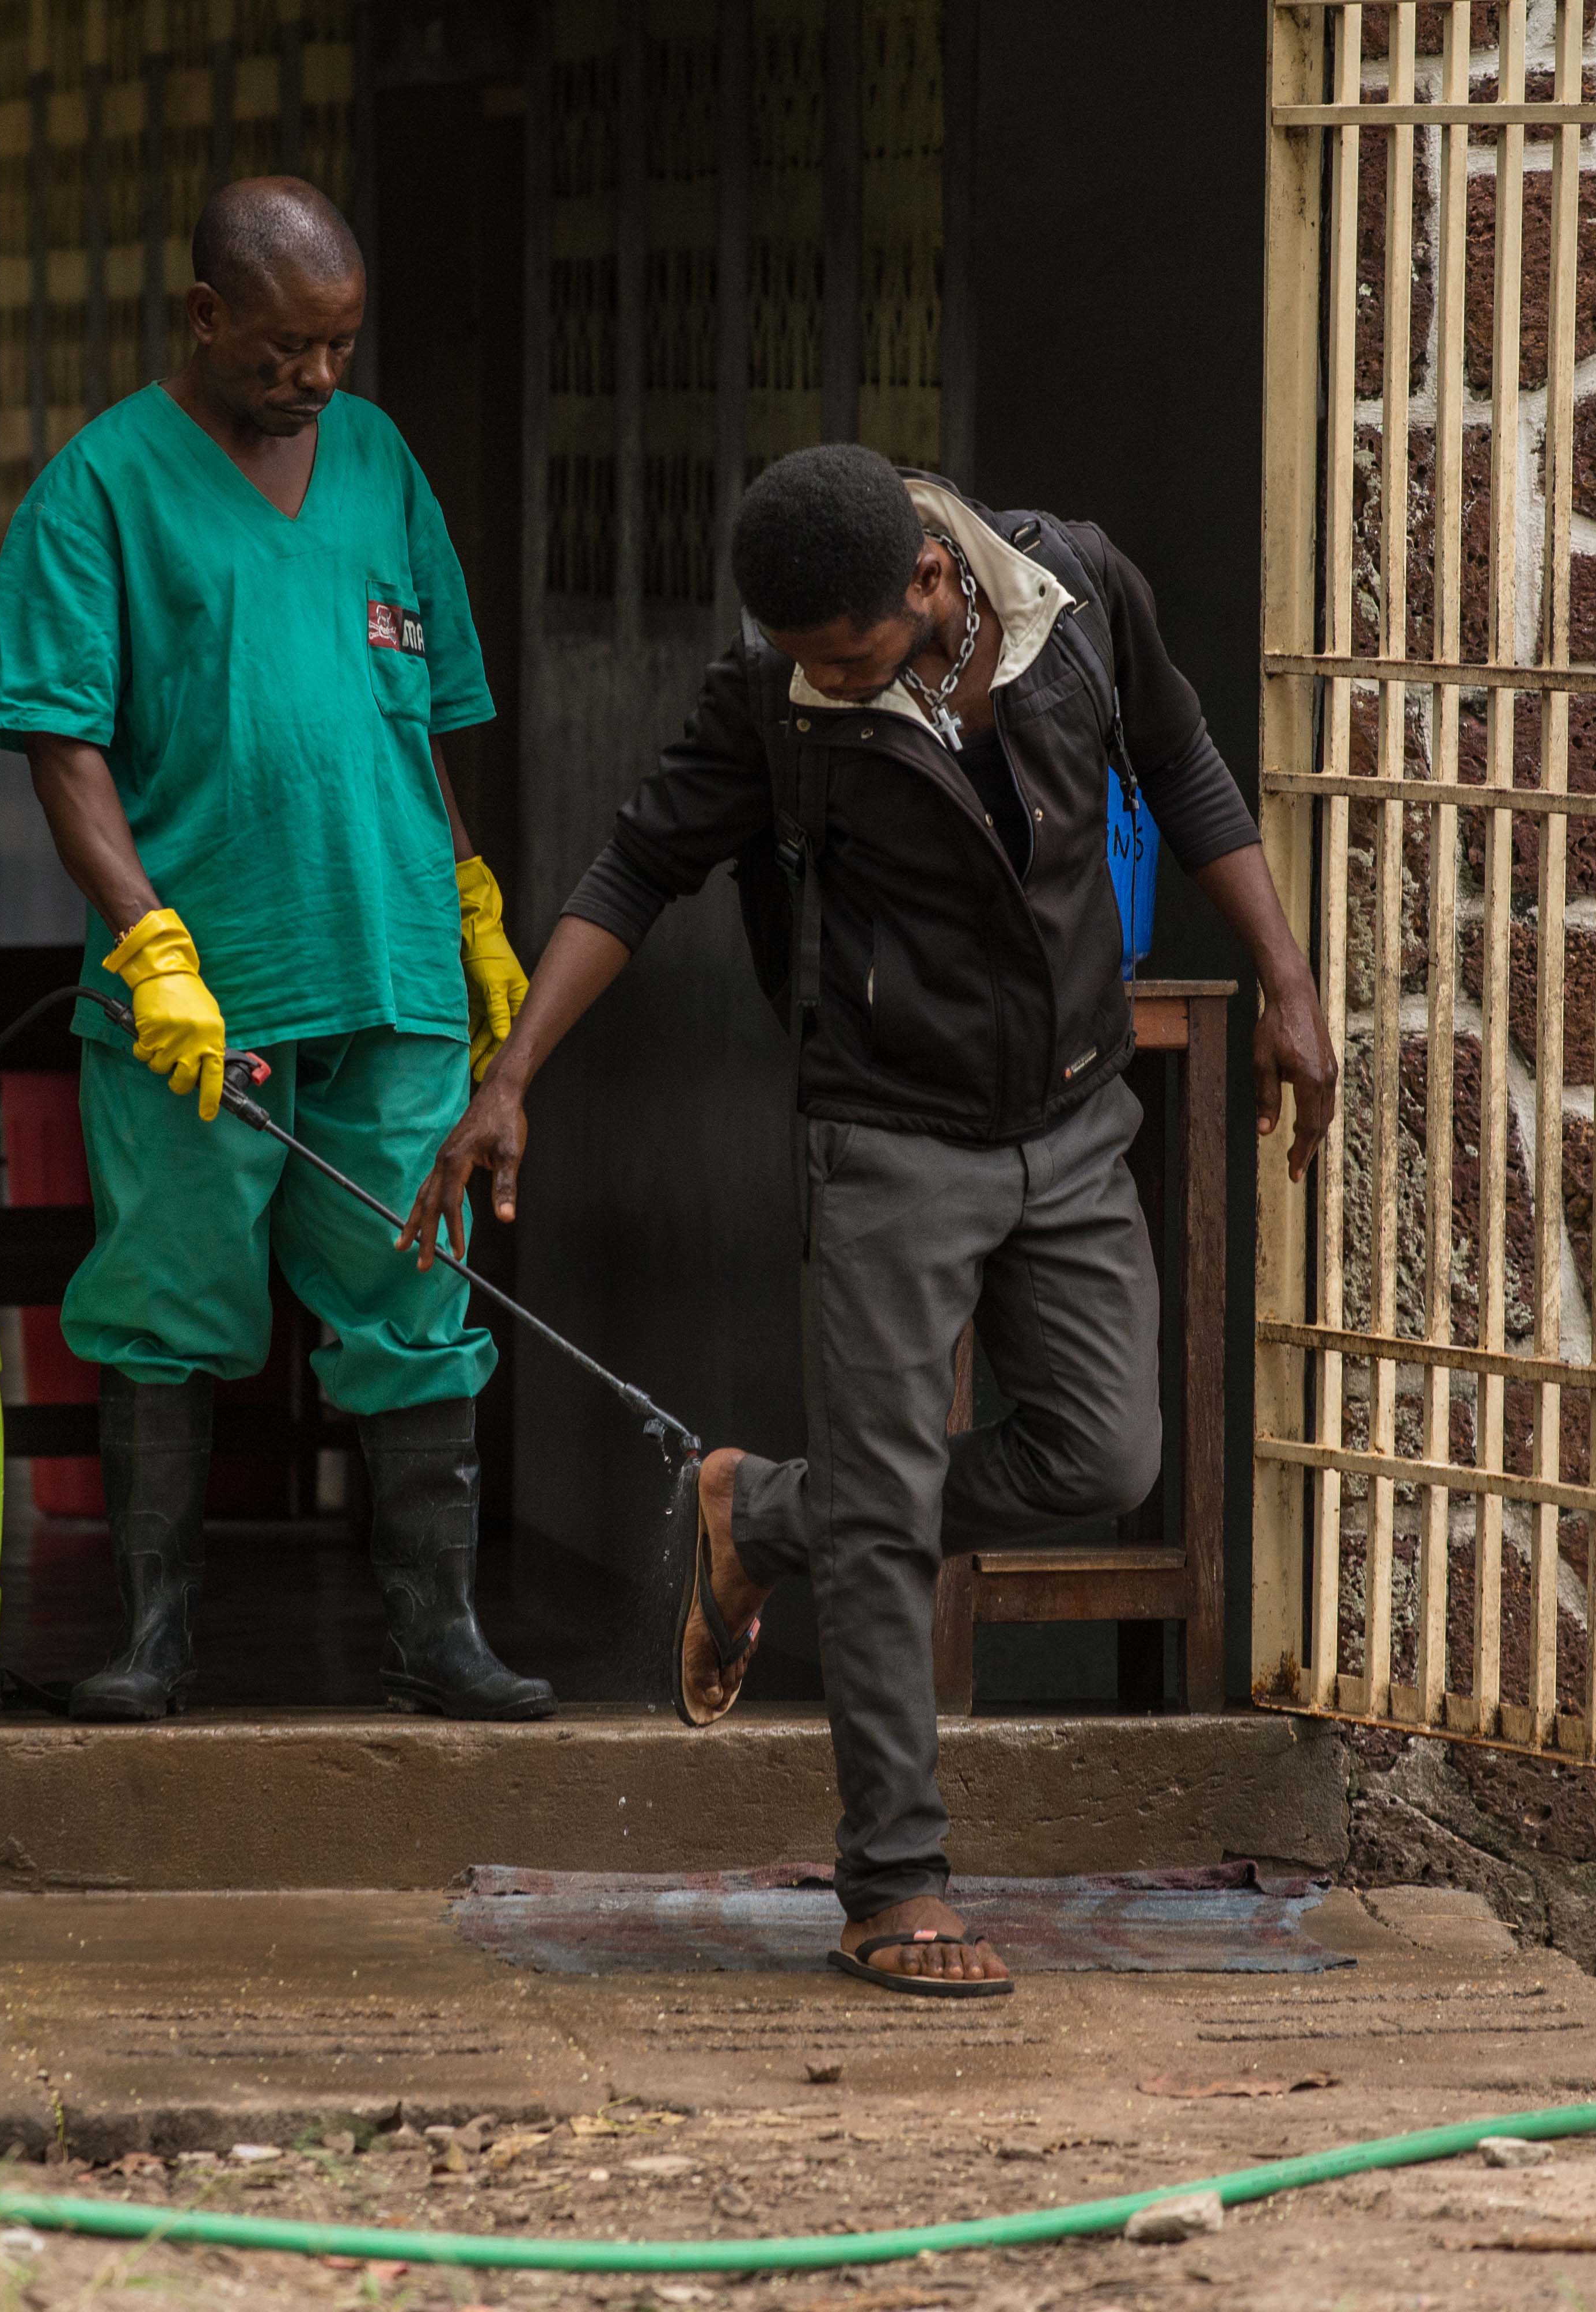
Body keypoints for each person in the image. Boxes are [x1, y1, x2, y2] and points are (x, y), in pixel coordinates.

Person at [405, 444, 1336, 1995]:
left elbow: (1181, 766)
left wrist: (1290, 986)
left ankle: (759, 1513)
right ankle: (892, 1880)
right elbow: (638, 867)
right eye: (798, 661)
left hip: (1074, 1109)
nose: (819, 683)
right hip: (890, 1131)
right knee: (893, 1514)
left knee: (1106, 1454)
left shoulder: (1079, 591)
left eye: (847, 657)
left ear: (929, 580)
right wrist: (512, 1080)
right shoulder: (775, 699)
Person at [0, 176, 553, 1724]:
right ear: (207, 316)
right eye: (288, 349)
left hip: (397, 965)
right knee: (169, 1303)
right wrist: (150, 945)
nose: (318, 381)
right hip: (203, 1000)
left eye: (341, 347)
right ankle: (153, 1640)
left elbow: (416, 712)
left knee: (416, 1301)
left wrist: (472, 893)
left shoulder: (377, 464)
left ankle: (441, 1636)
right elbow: (63, 749)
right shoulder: (98, 493)